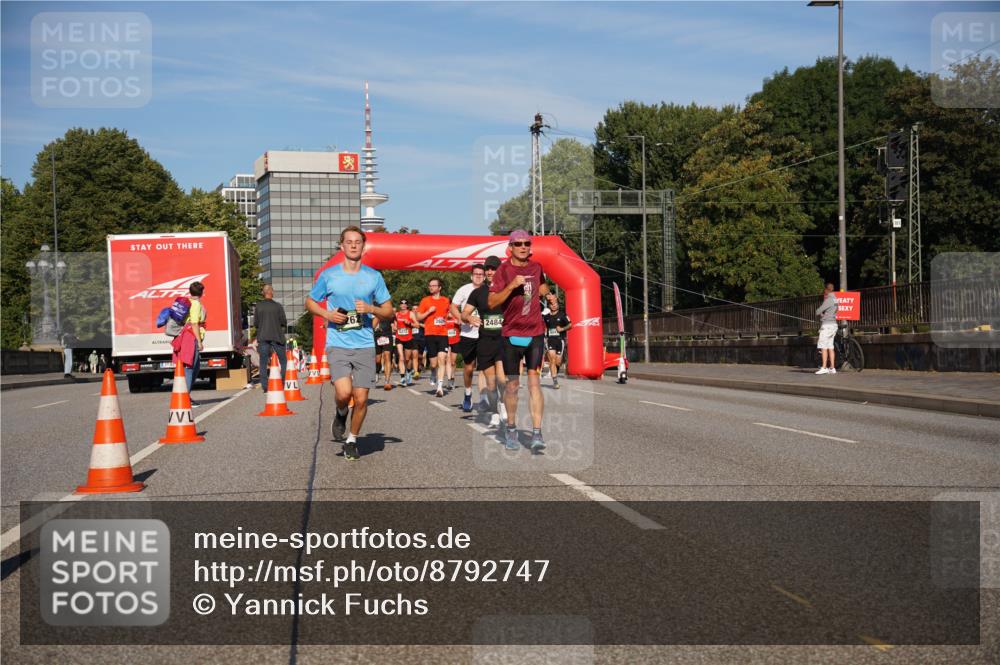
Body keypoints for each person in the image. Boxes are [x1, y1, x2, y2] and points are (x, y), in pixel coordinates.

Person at [305, 226, 392, 461]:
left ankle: (352, 439)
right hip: (338, 343)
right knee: (344, 393)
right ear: (341, 246)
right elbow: (311, 302)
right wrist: (327, 315)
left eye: (358, 242)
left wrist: (372, 308)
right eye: (349, 242)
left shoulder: (374, 276)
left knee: (362, 399)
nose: (353, 245)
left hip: (364, 344)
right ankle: (341, 412)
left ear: (363, 247)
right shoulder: (329, 275)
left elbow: (389, 311)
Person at [488, 230, 552, 452]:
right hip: (511, 334)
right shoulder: (503, 271)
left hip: (535, 332)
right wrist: (511, 286)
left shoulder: (536, 267)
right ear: (511, 247)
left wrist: (550, 297)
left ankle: (537, 432)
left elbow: (542, 286)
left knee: (534, 382)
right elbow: (492, 301)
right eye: (519, 244)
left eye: (527, 243)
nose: (523, 247)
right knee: (513, 386)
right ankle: (512, 429)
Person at [463, 255, 508, 428]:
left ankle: (503, 406)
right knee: (491, 383)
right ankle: (495, 413)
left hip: (503, 340)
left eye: (493, 268)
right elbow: (464, 313)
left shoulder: (507, 290)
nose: (490, 272)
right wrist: (469, 319)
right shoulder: (478, 292)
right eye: (487, 268)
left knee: (503, 380)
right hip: (485, 340)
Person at [451, 264, 485, 412]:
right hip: (467, 334)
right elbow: (453, 307)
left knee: (485, 367)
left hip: (485, 334)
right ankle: (468, 393)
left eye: (481, 274)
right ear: (471, 276)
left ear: (484, 276)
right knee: (469, 367)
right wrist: (462, 318)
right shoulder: (464, 289)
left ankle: (484, 399)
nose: (478, 276)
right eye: (475, 274)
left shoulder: (490, 289)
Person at [415, 278, 451, 397]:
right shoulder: (425, 301)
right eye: (430, 285)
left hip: (443, 334)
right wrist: (428, 312)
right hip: (430, 333)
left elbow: (450, 313)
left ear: (439, 287)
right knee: (434, 364)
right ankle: (433, 373)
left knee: (442, 358)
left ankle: (440, 387)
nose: (431, 287)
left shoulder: (446, 300)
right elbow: (419, 317)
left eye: (434, 285)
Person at [254, 285, 288, 393]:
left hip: (263, 336)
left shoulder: (258, 306)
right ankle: (282, 382)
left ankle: (265, 386)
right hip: (277, 336)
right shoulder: (278, 306)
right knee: (283, 360)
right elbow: (284, 322)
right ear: (271, 292)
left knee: (263, 362)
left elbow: (256, 323)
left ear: (263, 293)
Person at [184, 281, 207, 400]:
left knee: (195, 367)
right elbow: (194, 323)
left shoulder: (189, 302)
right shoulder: (196, 304)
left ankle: (185, 395)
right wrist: (199, 341)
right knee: (190, 367)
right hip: (192, 338)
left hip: (187, 337)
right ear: (201, 292)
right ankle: (185, 397)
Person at [543, 296, 572, 389]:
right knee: (552, 359)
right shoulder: (546, 317)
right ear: (549, 306)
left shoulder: (562, 315)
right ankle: (555, 381)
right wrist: (545, 336)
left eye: (555, 304)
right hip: (550, 340)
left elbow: (570, 325)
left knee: (558, 361)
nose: (554, 306)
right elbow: (545, 327)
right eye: (552, 304)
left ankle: (555, 371)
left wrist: (562, 328)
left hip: (560, 340)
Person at [815, 282, 839, 375]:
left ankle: (824, 367)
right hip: (833, 324)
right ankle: (832, 368)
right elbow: (836, 309)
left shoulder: (829, 299)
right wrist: (827, 314)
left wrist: (822, 314)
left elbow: (818, 311)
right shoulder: (835, 299)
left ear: (826, 290)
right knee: (830, 346)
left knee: (823, 346)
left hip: (827, 325)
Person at [394, 300, 417, 386]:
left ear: (407, 306)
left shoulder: (411, 314)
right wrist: (395, 327)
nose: (403, 306)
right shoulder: (396, 314)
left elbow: (417, 325)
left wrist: (410, 323)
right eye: (402, 304)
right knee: (401, 357)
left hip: (408, 338)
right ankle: (402, 377)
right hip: (399, 337)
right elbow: (395, 325)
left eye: (405, 304)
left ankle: (409, 371)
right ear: (400, 305)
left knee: (407, 359)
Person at [374, 313, 395, 390]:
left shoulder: (388, 311)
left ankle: (387, 381)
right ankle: (376, 372)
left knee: (387, 356)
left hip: (387, 335)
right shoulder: (371, 310)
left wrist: (394, 327)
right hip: (376, 335)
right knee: (377, 359)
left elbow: (394, 323)